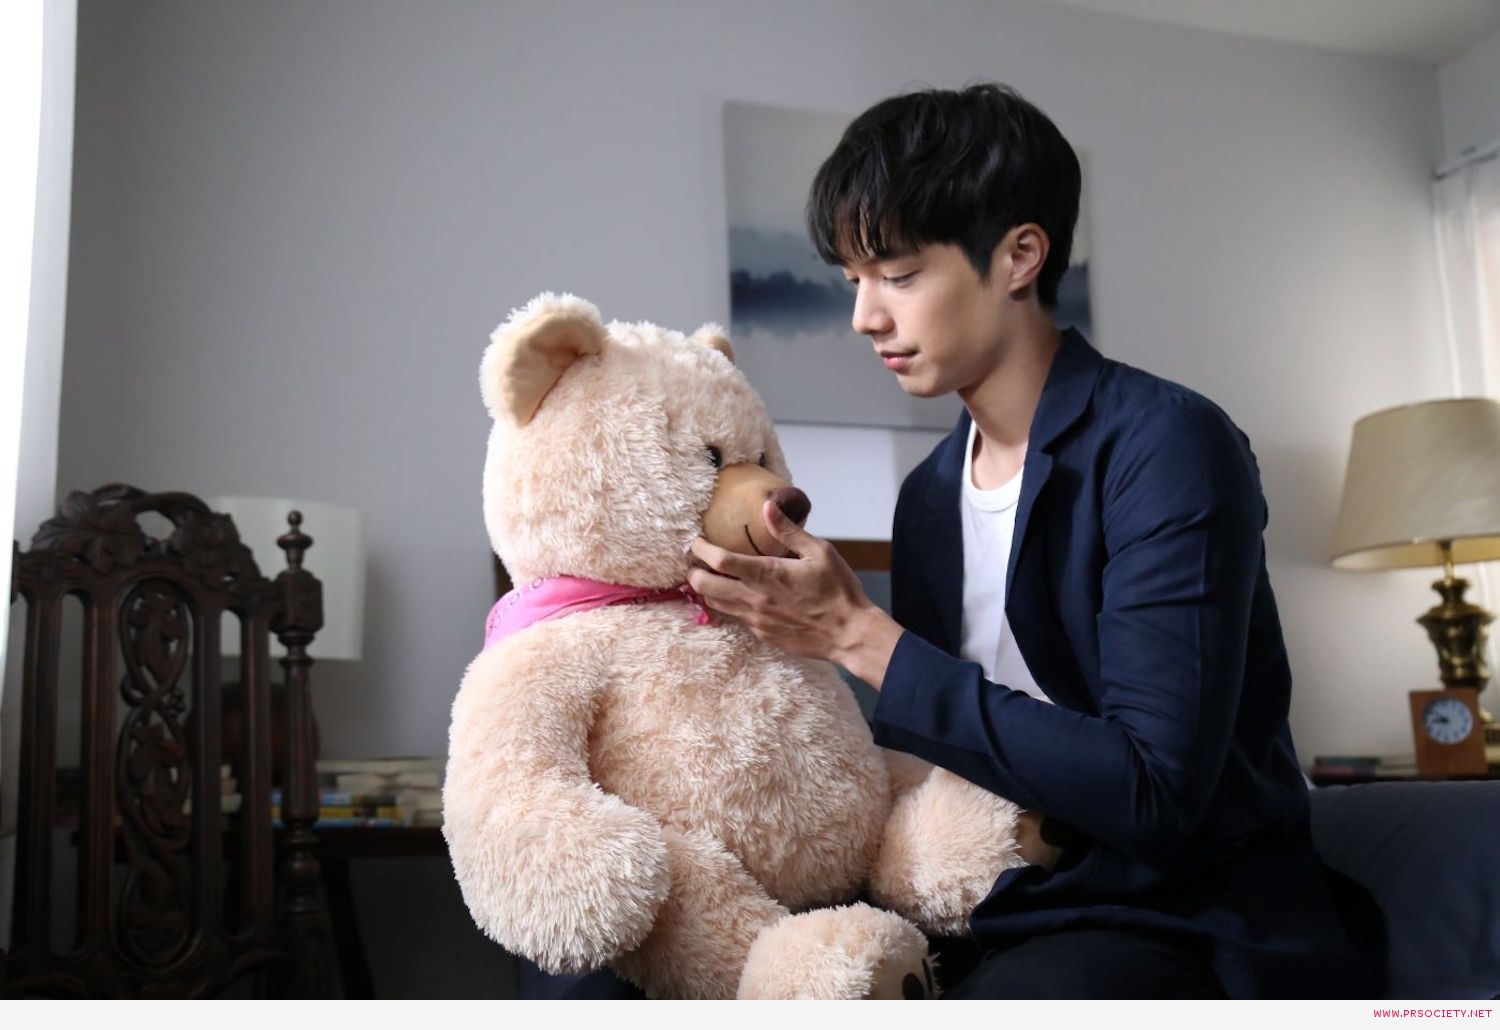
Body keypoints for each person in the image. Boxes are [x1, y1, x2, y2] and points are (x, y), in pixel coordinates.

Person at [686, 83, 1378, 1000]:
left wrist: (860, 636)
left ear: (1020, 255)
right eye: (853, 281)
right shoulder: (929, 496)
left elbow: (1153, 792)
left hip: (1182, 913)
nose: (865, 317)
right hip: (992, 905)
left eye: (899, 274)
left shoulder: (1166, 445)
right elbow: (937, 771)